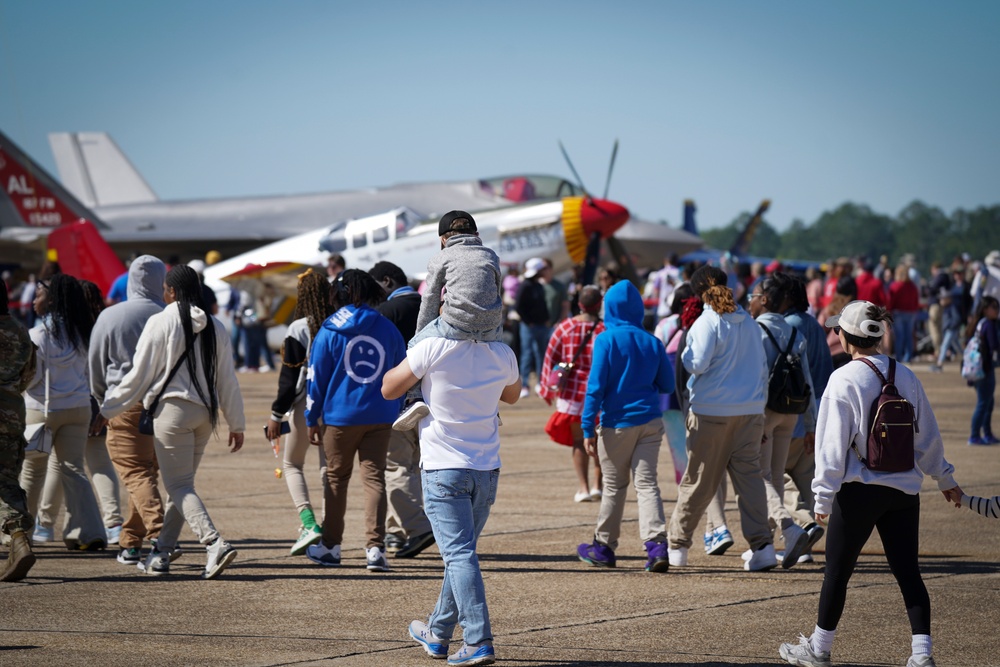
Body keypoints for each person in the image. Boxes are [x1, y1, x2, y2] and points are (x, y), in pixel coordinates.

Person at [779, 300, 962, 667]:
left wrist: (822, 498)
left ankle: (819, 648)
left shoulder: (843, 379)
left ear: (847, 337)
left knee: (837, 572)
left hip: (858, 489)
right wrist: (945, 479)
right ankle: (921, 655)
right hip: (904, 490)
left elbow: (832, 446)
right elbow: (926, 436)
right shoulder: (906, 375)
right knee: (908, 573)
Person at [381, 288, 521, 666]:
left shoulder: (434, 346)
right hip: (486, 469)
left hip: (444, 467)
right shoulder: (502, 352)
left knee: (459, 556)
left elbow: (388, 387)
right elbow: (512, 394)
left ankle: (478, 640)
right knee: (461, 556)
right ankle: (438, 633)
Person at [101, 265, 245, 579]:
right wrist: (237, 423)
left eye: (166, 288)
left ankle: (214, 543)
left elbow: (139, 375)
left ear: (172, 291)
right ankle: (162, 553)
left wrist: (108, 408)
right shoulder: (215, 326)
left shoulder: (161, 321)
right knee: (183, 487)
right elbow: (227, 381)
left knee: (179, 486)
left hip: (172, 414)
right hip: (205, 416)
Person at [668, 265, 776, 572]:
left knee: (698, 480)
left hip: (712, 412)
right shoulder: (751, 324)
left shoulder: (707, 321)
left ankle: (678, 545)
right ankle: (763, 546)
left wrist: (686, 353)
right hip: (750, 412)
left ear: (698, 291)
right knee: (750, 480)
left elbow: (697, 363)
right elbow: (761, 370)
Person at [304, 270, 405, 572]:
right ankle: (375, 549)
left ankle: (331, 546)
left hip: (340, 417)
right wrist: (396, 407)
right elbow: (402, 369)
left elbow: (316, 377)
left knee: (336, 479)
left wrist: (311, 417)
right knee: (374, 479)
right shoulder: (387, 328)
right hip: (381, 414)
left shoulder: (329, 330)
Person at [576, 280, 675, 573]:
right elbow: (667, 384)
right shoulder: (652, 341)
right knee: (647, 485)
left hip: (616, 424)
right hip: (650, 421)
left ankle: (604, 546)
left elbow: (595, 387)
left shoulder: (606, 339)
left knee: (614, 486)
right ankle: (657, 546)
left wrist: (586, 427)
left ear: (610, 308)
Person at [89, 256, 181, 567]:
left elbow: (96, 367)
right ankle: (130, 544)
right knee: (145, 474)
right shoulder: (170, 315)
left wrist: (104, 403)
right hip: (164, 406)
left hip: (124, 404)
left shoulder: (110, 316)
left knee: (135, 473)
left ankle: (160, 535)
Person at [19, 274, 106, 551]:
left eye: (39, 294)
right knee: (74, 470)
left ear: (52, 299)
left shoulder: (37, 334)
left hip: (41, 411)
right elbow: (92, 373)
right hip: (79, 408)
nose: (34, 300)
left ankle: (22, 534)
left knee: (32, 473)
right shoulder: (82, 331)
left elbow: (31, 379)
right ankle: (89, 531)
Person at [394, 211, 504, 427]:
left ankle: (414, 399)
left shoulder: (441, 257)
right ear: (476, 234)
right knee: (493, 356)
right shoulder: (491, 256)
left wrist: (421, 336)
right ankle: (494, 407)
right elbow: (495, 293)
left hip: (456, 323)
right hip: (491, 326)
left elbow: (430, 299)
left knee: (415, 345)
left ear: (443, 239)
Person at [34, 281, 123, 546]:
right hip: (93, 404)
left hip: (58, 405)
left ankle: (44, 525)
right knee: (97, 465)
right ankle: (112, 523)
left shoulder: (53, 331)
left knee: (53, 467)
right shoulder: (93, 328)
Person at [747, 272, 817, 569]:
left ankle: (786, 529)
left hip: (765, 411)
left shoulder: (756, 332)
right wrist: (811, 424)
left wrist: (753, 420)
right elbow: (808, 383)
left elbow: (755, 379)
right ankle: (774, 541)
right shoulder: (793, 332)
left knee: (757, 475)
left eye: (752, 296)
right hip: (791, 411)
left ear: (764, 301)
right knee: (774, 475)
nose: (749, 301)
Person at [369, 260, 435, 559]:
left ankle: (419, 527)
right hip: (432, 399)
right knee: (413, 468)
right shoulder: (430, 307)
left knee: (395, 467)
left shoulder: (385, 314)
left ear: (386, 282)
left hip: (397, 400)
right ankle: (396, 533)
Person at [266, 269, 333, 555]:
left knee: (292, 464)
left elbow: (288, 380)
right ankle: (331, 531)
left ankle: (308, 524)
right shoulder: (337, 322)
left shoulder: (298, 329)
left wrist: (275, 415)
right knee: (328, 470)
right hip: (334, 407)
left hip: (303, 407)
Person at [538, 285, 605, 503]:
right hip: (600, 392)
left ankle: (583, 488)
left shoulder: (564, 328)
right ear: (599, 305)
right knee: (599, 440)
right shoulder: (605, 329)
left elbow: (550, 358)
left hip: (573, 394)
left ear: (580, 304)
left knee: (579, 441)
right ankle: (598, 486)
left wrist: (548, 389)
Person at [0, 277, 37, 581]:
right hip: (13, 412)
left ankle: (15, 535)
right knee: (8, 479)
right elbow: (29, 374)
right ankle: (19, 538)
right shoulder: (21, 331)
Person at [515, 257, 551, 397]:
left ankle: (540, 383)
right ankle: (524, 385)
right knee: (527, 354)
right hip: (529, 327)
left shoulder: (538, 285)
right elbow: (518, 306)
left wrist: (546, 319)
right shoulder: (525, 285)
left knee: (541, 354)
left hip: (541, 325)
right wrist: (527, 321)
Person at [965, 296, 998, 445]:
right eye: (994, 307)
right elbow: (993, 347)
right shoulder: (989, 325)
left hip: (977, 369)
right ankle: (975, 435)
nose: (997, 310)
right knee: (984, 403)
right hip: (985, 369)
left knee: (987, 402)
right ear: (985, 309)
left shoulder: (978, 324)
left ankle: (987, 433)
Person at [889, 265, 921, 363]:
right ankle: (908, 356)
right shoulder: (912, 286)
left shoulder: (895, 285)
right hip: (911, 312)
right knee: (909, 335)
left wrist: (889, 311)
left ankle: (899, 356)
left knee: (899, 336)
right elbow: (916, 299)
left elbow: (890, 300)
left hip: (898, 312)